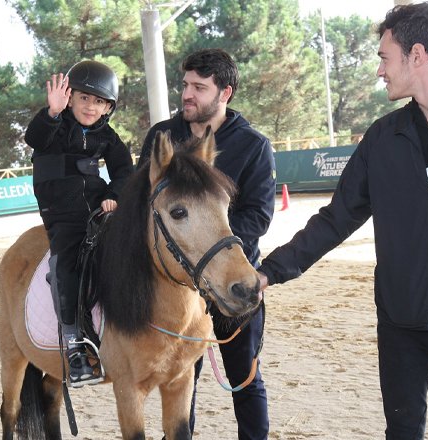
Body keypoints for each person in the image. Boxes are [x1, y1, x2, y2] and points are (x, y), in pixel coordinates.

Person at [257, 3, 428, 438]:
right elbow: (336, 219)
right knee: (402, 433)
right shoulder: (383, 137)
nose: (379, 71)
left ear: (418, 55)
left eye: (385, 58)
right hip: (400, 322)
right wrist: (270, 272)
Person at [137, 49, 276, 439]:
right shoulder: (161, 137)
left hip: (232, 282)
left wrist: (211, 252)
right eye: (185, 85)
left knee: (245, 379)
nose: (187, 94)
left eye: (199, 87)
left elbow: (258, 216)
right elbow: (141, 203)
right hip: (177, 292)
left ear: (224, 93)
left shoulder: (253, 146)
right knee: (181, 382)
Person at [24, 60, 134, 387]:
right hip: (60, 209)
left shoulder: (108, 136)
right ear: (69, 98)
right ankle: (74, 345)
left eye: (99, 102)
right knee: (68, 260)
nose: (91, 106)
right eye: (84, 98)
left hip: (96, 205)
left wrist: (114, 195)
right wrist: (52, 113)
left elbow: (125, 173)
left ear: (108, 108)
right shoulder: (53, 127)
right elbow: (34, 137)